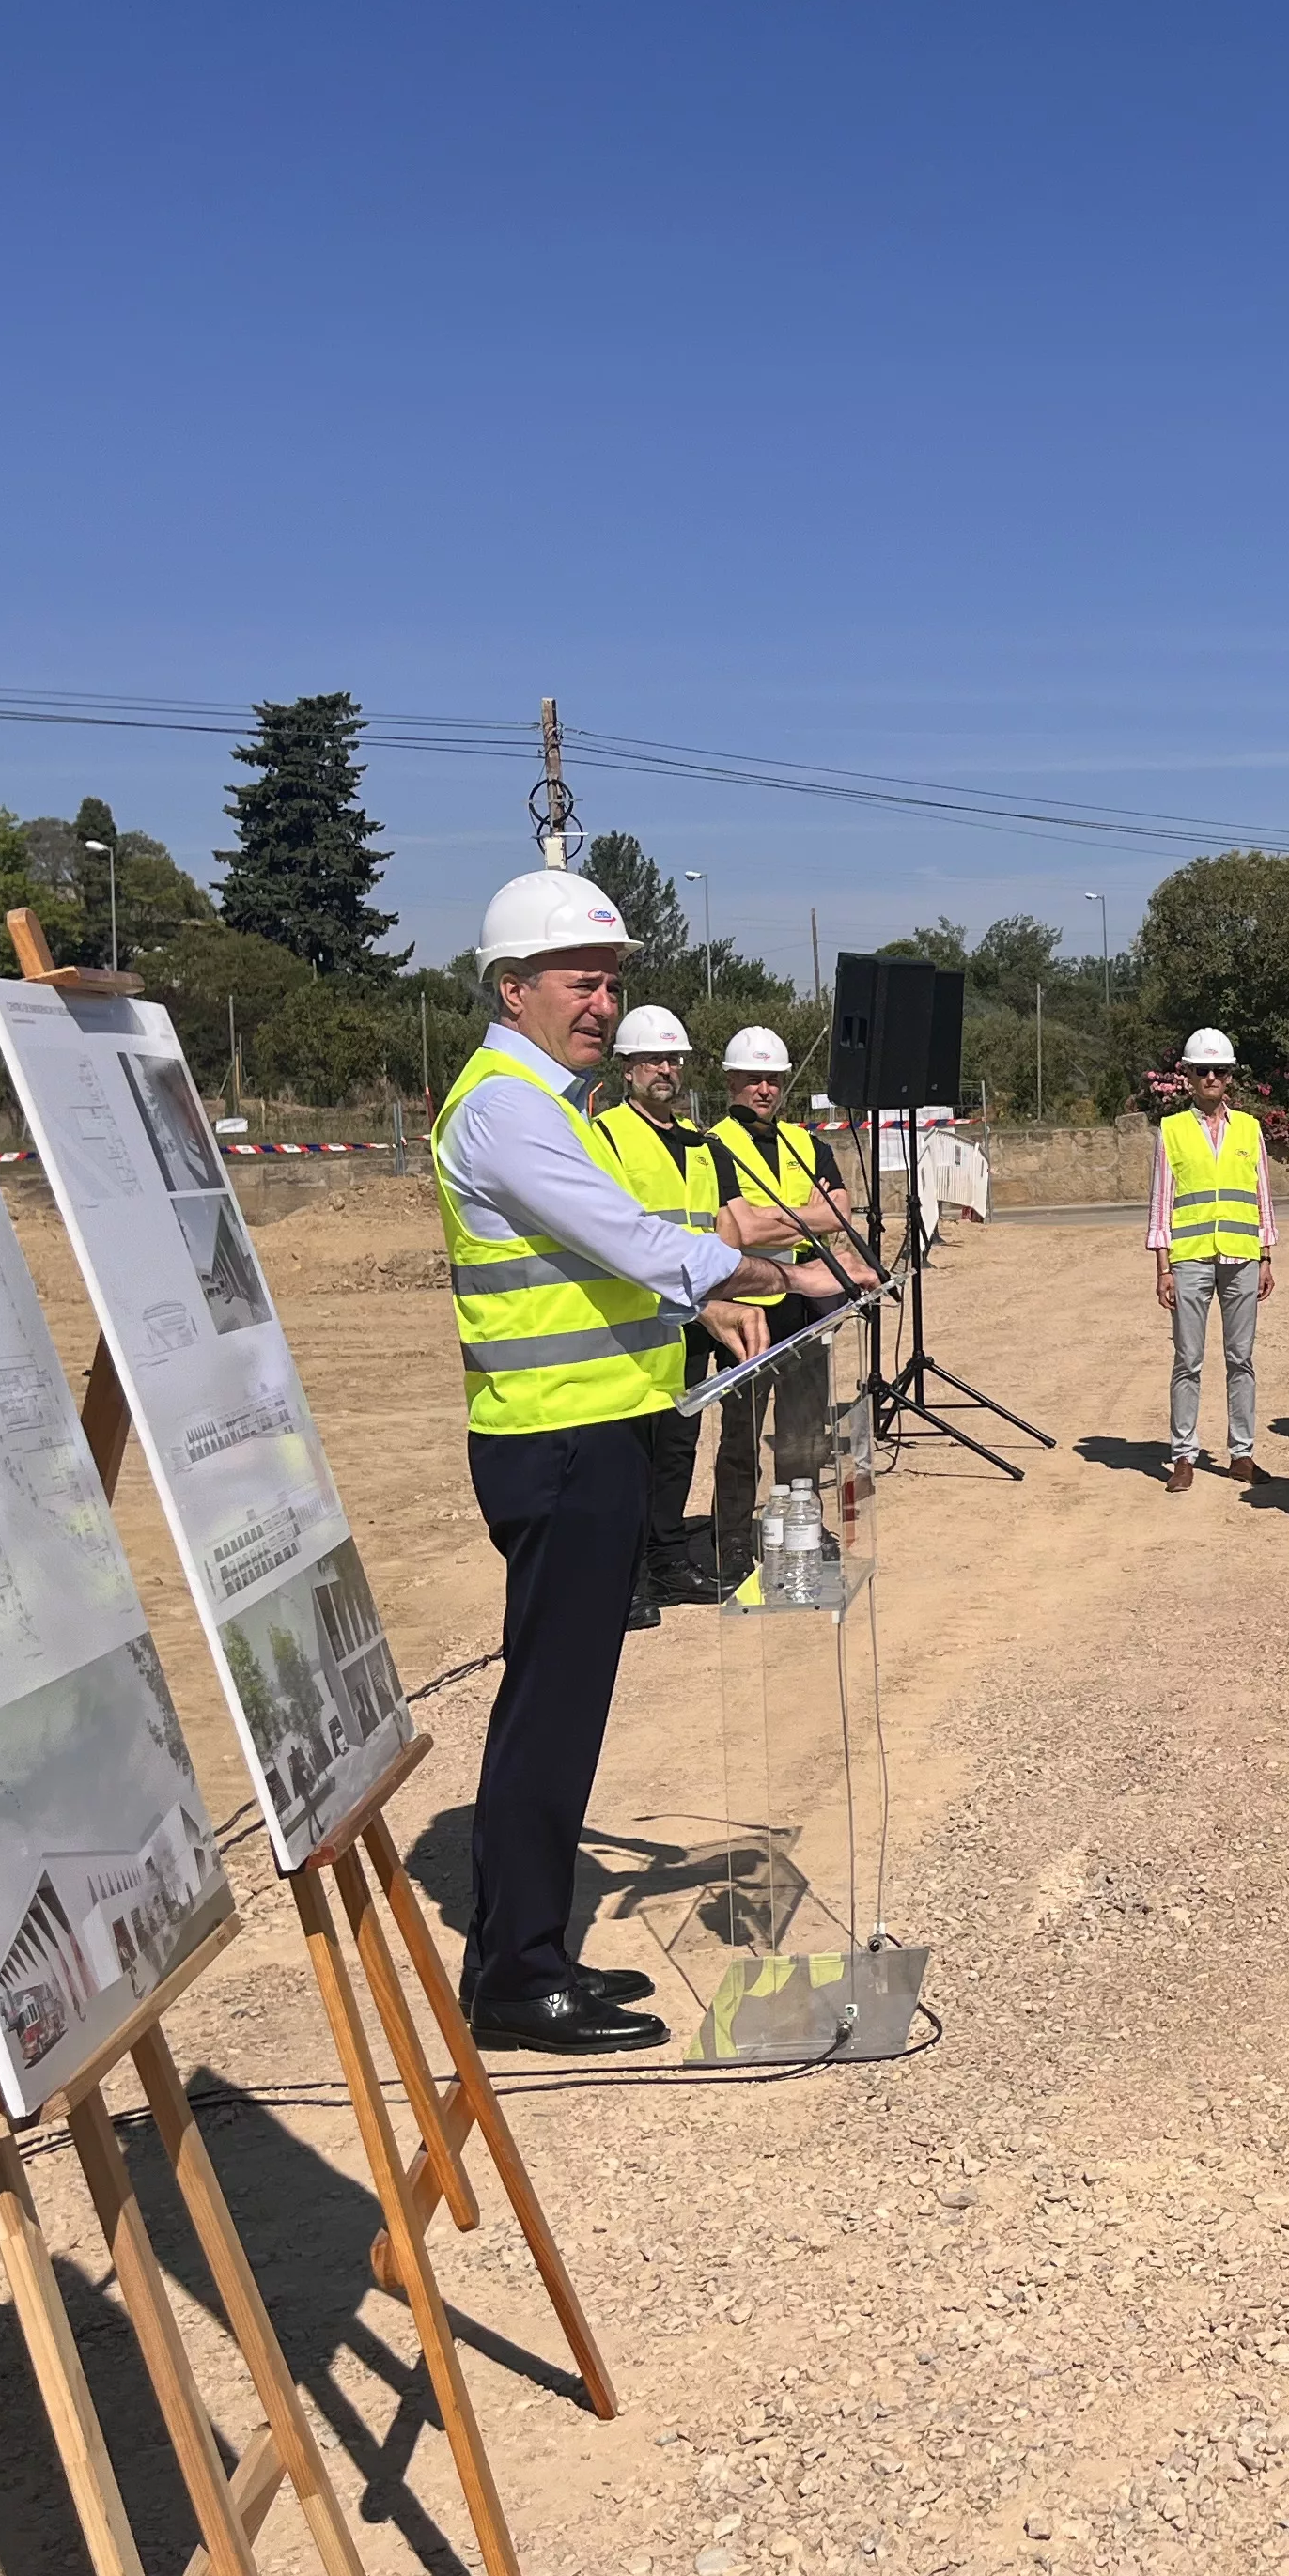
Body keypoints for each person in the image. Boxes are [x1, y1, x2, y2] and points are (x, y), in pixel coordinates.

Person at [435, 870, 840, 2053]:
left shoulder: (546, 1103)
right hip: (556, 1441)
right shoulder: (507, 1108)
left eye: (612, 985)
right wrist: (769, 1275)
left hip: (593, 1432)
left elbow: (601, 1263)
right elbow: (629, 1236)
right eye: (580, 983)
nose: (602, 1006)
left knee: (564, 1708)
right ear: (512, 989)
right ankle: (517, 1976)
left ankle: (527, 1947)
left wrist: (696, 1298)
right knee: (550, 1713)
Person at [582, 1003, 744, 1619]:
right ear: (626, 1069)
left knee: (678, 1445)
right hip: (634, 1319)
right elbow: (613, 1235)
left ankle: (668, 1561)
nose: (665, 1070)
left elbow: (718, 1228)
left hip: (692, 1320)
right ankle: (627, 1579)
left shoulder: (701, 1145)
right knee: (630, 1453)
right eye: (652, 1060)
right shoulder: (605, 1138)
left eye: (673, 1060)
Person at [703, 1023, 877, 1583]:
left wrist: (771, 1219)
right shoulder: (712, 1146)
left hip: (806, 1305)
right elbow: (740, 1232)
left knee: (804, 1428)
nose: (764, 1089)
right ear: (730, 1080)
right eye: (753, 1078)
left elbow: (839, 1213)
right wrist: (802, 1216)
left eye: (773, 1079)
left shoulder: (809, 1144)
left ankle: (802, 1521)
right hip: (748, 1303)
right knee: (741, 1429)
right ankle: (732, 1536)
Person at [1148, 1027, 1276, 1493]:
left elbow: (1262, 1195)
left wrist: (1266, 1256)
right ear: (1188, 1076)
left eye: (1219, 1070)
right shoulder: (1172, 1130)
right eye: (1203, 1070)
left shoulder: (1249, 1129)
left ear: (1229, 1076)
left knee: (1241, 1358)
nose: (1211, 1078)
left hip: (1242, 1257)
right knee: (1188, 1359)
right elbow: (1161, 1202)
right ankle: (1184, 1455)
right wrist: (1163, 1268)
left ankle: (1242, 1453)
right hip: (1190, 1259)